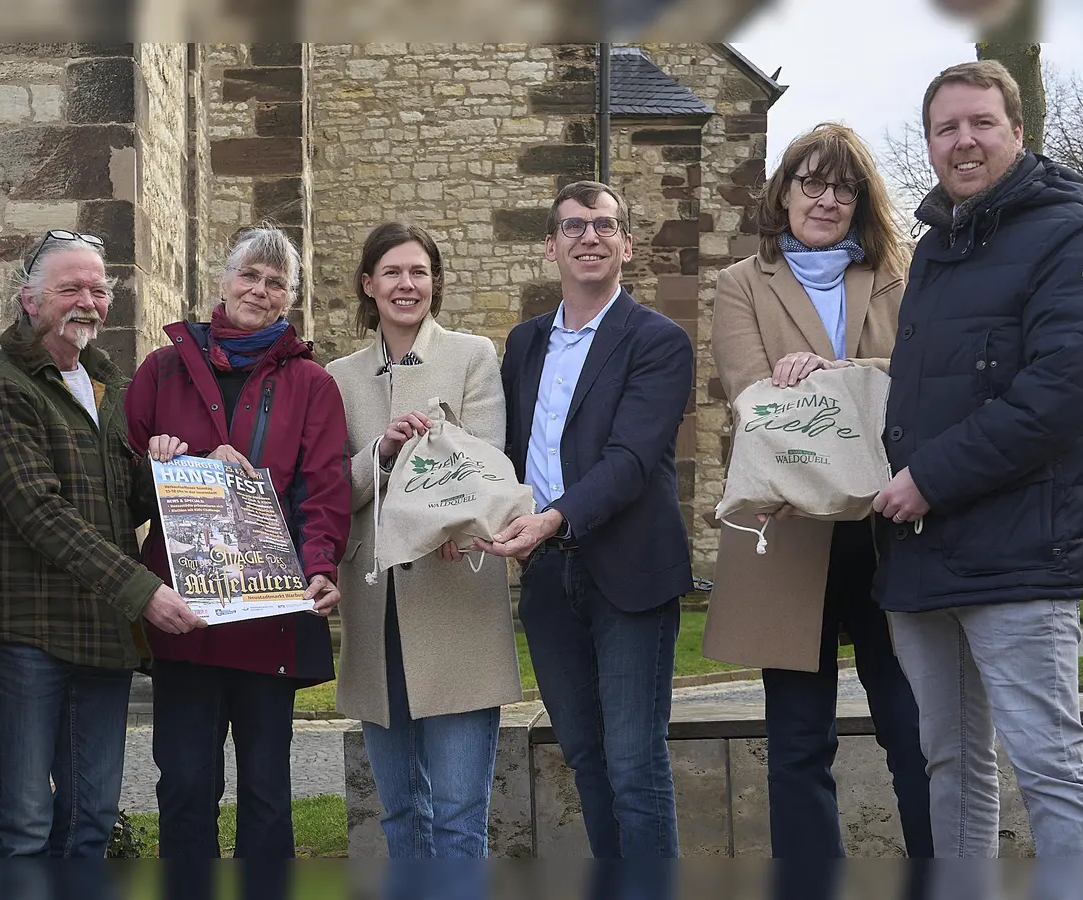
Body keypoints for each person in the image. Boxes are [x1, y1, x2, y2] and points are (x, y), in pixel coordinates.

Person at [872, 59, 1083, 857]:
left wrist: (929, 478)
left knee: (1050, 766)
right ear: (930, 144)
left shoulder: (1073, 229)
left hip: (1020, 552)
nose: (963, 142)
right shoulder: (933, 248)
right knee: (950, 762)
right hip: (924, 555)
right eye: (946, 129)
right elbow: (926, 388)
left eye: (980, 124)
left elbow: (1064, 390)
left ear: (1017, 132)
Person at [706, 123, 932, 859]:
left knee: (914, 729)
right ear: (785, 191)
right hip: (788, 525)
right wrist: (858, 378)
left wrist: (832, 373)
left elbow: (925, 379)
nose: (827, 199)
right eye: (812, 182)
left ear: (860, 200)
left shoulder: (902, 274)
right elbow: (750, 391)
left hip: (890, 525)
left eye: (844, 186)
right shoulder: (741, 282)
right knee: (799, 741)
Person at [0, 229, 203, 858]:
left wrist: (170, 473)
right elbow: (38, 511)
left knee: (91, 821)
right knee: (23, 823)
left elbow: (121, 505)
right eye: (71, 288)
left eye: (98, 290)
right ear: (29, 300)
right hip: (28, 640)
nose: (88, 302)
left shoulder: (103, 385)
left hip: (100, 636)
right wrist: (146, 593)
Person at [476, 181, 694, 858]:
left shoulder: (659, 341)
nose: (589, 237)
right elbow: (505, 457)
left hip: (629, 574)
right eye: (573, 227)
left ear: (627, 244)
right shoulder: (523, 344)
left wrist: (550, 520)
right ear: (550, 247)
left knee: (634, 764)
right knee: (588, 759)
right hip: (548, 580)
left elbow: (630, 460)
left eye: (604, 226)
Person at [127, 225, 350, 859]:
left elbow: (323, 485)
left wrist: (321, 564)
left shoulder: (312, 384)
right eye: (249, 275)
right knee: (187, 783)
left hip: (270, 609)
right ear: (223, 282)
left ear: (290, 298)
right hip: (185, 609)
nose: (259, 289)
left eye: (275, 282)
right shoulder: (163, 369)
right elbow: (121, 471)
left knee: (266, 787)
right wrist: (159, 460)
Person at [325, 222, 520, 858]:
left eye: (419, 272)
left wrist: (443, 512)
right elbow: (333, 491)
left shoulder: (472, 355)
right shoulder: (339, 376)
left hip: (454, 593)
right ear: (368, 285)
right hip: (375, 603)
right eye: (392, 273)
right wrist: (379, 452)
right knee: (400, 810)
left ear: (434, 282)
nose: (407, 285)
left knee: (461, 811)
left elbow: (488, 463)